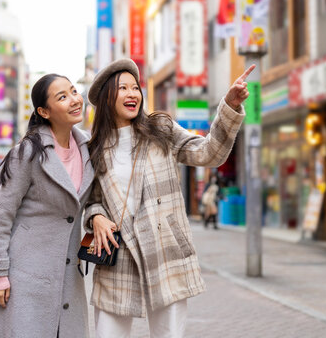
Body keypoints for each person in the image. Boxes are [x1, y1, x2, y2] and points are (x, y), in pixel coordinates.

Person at [84, 58, 254, 337]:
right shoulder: (94, 149)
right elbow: (91, 199)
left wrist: (229, 106)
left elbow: (209, 152)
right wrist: (97, 217)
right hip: (117, 255)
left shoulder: (159, 129)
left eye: (135, 87)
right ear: (106, 98)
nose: (132, 94)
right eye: (122, 88)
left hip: (164, 250)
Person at [0, 74, 95, 338]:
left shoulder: (89, 149)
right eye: (62, 97)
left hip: (69, 276)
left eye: (74, 91)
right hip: (26, 275)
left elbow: (94, 199)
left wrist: (96, 217)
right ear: (44, 111)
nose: (75, 100)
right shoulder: (28, 152)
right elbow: (2, 214)